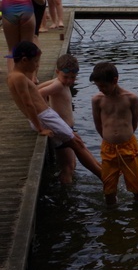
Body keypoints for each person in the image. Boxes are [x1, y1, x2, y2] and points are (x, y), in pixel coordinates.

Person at [7, 41, 101, 181]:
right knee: (77, 144)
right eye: (36, 62)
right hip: (45, 117)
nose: (37, 65)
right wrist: (40, 128)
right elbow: (28, 104)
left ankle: (102, 172)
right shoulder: (20, 77)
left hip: (45, 116)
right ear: (24, 60)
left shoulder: (13, 76)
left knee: (77, 142)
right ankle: (105, 177)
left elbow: (33, 94)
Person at [91, 62, 138, 205]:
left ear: (115, 80)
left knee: (137, 187)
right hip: (108, 148)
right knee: (108, 189)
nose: (101, 90)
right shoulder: (98, 100)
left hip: (128, 146)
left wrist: (124, 136)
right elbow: (98, 124)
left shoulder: (130, 98)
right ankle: (111, 216)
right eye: (98, 87)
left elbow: (134, 123)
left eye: (104, 86)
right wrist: (109, 138)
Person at [38, 54, 81, 184]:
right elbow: (38, 94)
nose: (69, 81)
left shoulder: (58, 82)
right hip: (61, 131)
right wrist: (46, 112)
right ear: (57, 72)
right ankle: (66, 193)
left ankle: (65, 184)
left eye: (73, 78)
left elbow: (36, 89)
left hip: (66, 129)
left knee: (71, 164)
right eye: (66, 77)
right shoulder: (57, 85)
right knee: (67, 167)